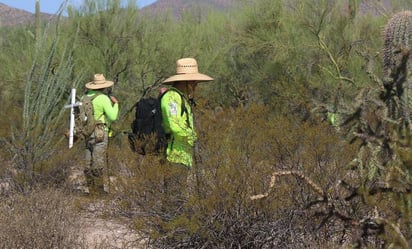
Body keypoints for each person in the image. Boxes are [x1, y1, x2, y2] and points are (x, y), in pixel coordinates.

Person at [159, 58, 213, 209]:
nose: (196, 85)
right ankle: (169, 229)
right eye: (194, 82)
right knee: (173, 198)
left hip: (183, 155)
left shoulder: (182, 98)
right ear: (187, 82)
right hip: (175, 155)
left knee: (177, 197)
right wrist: (193, 137)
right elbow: (175, 126)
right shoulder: (172, 98)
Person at [70, 74, 119, 195]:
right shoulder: (103, 98)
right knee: (98, 163)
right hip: (100, 133)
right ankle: (99, 192)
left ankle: (92, 190)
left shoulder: (84, 97)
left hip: (87, 133)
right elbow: (113, 116)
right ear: (103, 86)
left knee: (88, 162)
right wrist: (116, 104)